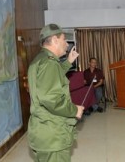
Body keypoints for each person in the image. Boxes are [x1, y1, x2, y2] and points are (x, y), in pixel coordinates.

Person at [27, 23, 84, 162]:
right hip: (53, 133)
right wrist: (74, 110)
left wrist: (68, 62)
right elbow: (50, 98)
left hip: (44, 131)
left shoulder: (41, 60)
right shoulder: (49, 63)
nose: (67, 44)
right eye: (64, 39)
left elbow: (50, 80)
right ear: (54, 40)